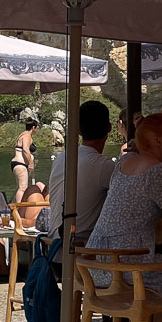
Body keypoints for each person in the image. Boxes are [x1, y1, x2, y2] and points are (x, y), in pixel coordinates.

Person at [84, 113, 162, 322]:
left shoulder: (125, 163)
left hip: (96, 265)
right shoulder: (160, 173)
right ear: (157, 140)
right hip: (126, 270)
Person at [43, 100, 117, 243]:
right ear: (109, 128)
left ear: (78, 130)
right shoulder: (105, 167)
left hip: (53, 245)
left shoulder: (61, 157)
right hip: (80, 253)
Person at [11, 117, 38, 202]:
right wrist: (30, 163)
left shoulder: (23, 134)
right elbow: (25, 149)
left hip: (19, 164)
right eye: (36, 128)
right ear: (33, 127)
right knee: (22, 188)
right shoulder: (26, 136)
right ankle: (19, 210)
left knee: (20, 187)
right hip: (20, 164)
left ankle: (19, 208)